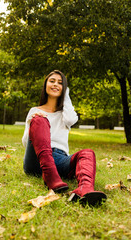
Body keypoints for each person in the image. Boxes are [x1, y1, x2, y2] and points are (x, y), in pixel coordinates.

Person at [22, 70, 107, 206]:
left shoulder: (65, 113)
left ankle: (85, 189)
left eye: (60, 83)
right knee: (39, 120)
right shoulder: (35, 111)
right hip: (37, 159)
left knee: (87, 153)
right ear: (45, 85)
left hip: (59, 159)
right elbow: (26, 142)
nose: (55, 84)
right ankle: (50, 176)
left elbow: (71, 119)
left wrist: (66, 94)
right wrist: (33, 123)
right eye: (52, 81)